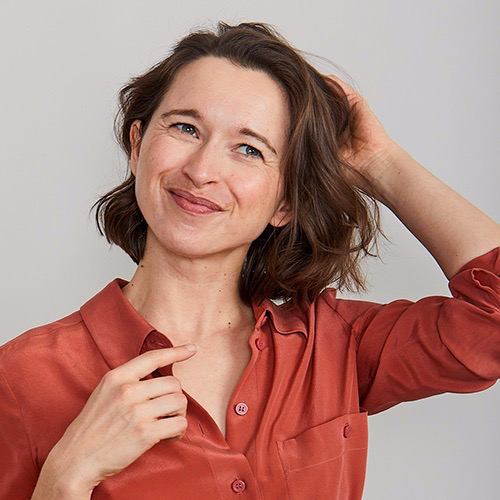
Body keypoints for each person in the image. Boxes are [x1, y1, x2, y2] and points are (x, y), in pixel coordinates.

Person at [0, 21, 498, 500]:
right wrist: (64, 481)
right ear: (137, 147)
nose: (202, 170)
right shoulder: (23, 377)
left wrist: (378, 161)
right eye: (186, 128)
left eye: (248, 149)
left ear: (287, 203)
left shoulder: (334, 346)